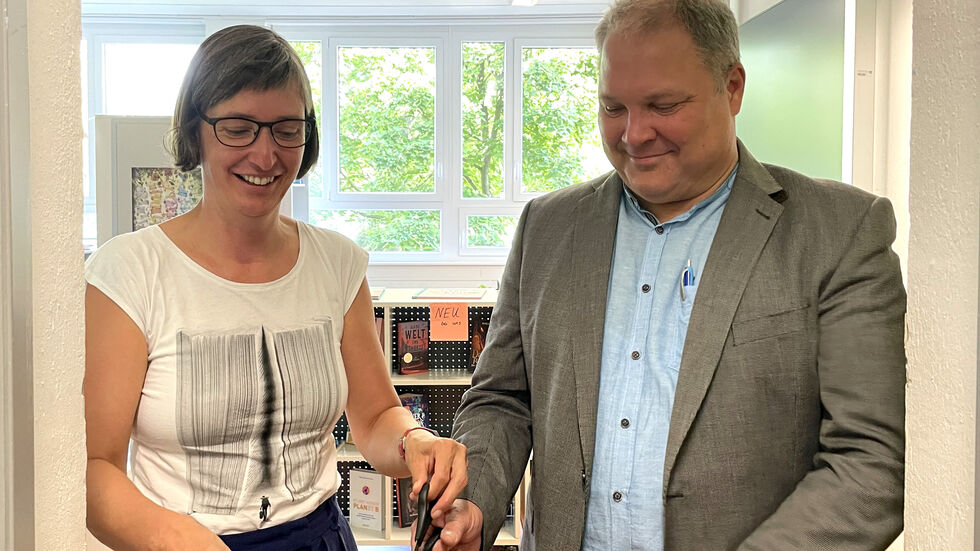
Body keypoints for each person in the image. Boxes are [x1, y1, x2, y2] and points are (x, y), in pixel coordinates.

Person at [439, 1, 906, 550]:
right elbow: (503, 399)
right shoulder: (548, 226)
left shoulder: (840, 232)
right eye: (613, 107)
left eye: (662, 105)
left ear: (731, 87)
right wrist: (475, 498)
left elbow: (869, 463)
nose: (634, 135)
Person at [84, 25, 466, 551]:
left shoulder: (337, 264)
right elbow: (95, 468)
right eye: (239, 128)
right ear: (195, 130)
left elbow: (376, 416)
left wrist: (416, 441)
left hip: (320, 537)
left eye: (287, 129)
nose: (266, 157)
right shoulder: (128, 272)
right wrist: (168, 536)